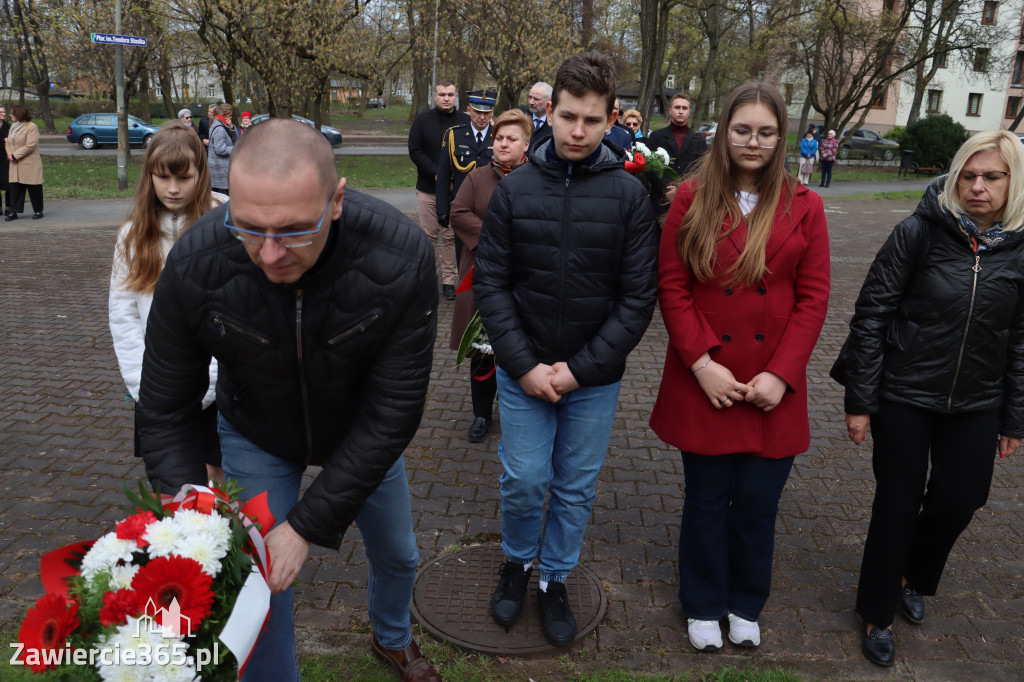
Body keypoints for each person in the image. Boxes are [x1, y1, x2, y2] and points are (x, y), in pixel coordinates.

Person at [136, 118, 441, 682]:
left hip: (360, 431)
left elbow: (394, 412)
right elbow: (163, 406)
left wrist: (303, 526)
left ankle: (392, 636)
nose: (270, 255)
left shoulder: (401, 258)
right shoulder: (197, 263)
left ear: (339, 199)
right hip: (257, 429)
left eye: (296, 231)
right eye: (249, 228)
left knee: (399, 553)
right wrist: (189, 505)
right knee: (260, 578)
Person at [475, 51, 658, 647]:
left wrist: (579, 370)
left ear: (611, 123)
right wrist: (524, 365)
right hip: (522, 370)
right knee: (525, 479)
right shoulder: (515, 189)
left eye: (592, 120)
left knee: (575, 486)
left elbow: (636, 300)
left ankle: (554, 578)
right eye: (569, 116)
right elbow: (493, 283)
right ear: (548, 113)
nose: (578, 131)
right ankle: (517, 562)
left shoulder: (629, 199)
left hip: (593, 379)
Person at [649, 82, 830, 652]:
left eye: (767, 132)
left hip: (772, 382)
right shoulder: (690, 197)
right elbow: (673, 287)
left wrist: (781, 373)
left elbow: (814, 297)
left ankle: (746, 601)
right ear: (723, 132)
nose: (754, 142)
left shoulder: (806, 204)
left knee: (757, 503)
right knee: (705, 501)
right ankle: (702, 602)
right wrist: (701, 363)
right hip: (707, 377)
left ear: (782, 138)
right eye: (743, 130)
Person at [839, 130, 1024, 668]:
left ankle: (910, 573)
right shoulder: (917, 232)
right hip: (905, 393)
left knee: (961, 499)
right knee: (896, 502)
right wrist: (861, 400)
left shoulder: (1019, 247)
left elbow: (1019, 339)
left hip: (978, 399)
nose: (978, 187)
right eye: (969, 175)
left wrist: (1015, 416)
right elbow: (871, 317)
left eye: (992, 177)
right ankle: (876, 611)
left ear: (1013, 182)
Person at [109, 123, 226, 482]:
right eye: (162, 177)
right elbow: (123, 309)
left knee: (216, 477)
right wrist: (140, 381)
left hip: (221, 384)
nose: (173, 189)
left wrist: (210, 382)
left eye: (184, 177)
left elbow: (238, 310)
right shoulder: (133, 233)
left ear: (201, 173)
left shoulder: (226, 222)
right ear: (149, 177)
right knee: (169, 482)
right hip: (156, 384)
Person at [450, 109, 531, 443]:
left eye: (511, 139)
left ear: (526, 144)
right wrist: (496, 237)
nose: (503, 144)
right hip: (481, 274)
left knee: (519, 347)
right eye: (499, 138)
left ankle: (518, 413)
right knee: (482, 349)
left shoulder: (537, 178)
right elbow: (458, 212)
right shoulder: (477, 177)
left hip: (524, 278)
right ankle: (482, 414)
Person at [408, 79, 471, 301]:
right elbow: (415, 151)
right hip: (428, 189)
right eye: (442, 94)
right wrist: (437, 173)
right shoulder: (422, 120)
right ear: (435, 96)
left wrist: (454, 178)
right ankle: (427, 280)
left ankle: (449, 281)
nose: (446, 98)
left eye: (451, 94)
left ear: (456, 97)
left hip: (456, 191)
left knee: (452, 236)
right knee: (429, 236)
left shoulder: (465, 120)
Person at [435, 88, 496, 272]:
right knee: (464, 260)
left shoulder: (499, 136)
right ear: (469, 110)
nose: (482, 117)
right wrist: (443, 209)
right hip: (464, 210)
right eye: (478, 112)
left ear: (493, 112)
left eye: (487, 113)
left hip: (492, 210)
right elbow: (444, 176)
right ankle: (465, 297)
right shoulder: (454, 135)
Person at [647, 93, 708, 215]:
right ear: (670, 110)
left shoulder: (699, 139)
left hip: (689, 200)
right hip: (660, 200)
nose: (681, 111)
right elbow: (650, 167)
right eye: (677, 107)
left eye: (684, 108)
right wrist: (667, 188)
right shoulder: (656, 136)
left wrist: (681, 190)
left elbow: (702, 169)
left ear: (689, 111)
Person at [5, 105, 43, 221]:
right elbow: (8, 142)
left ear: (19, 114)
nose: (10, 115)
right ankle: (14, 211)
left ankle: (38, 210)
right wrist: (10, 155)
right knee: (15, 188)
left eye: (12, 113)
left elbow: (30, 145)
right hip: (15, 164)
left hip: (29, 163)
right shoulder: (13, 127)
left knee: (33, 188)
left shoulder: (32, 127)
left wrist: (15, 155)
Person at [208, 102, 238, 194]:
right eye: (230, 115)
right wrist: (235, 149)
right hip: (220, 169)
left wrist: (231, 127)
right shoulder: (219, 129)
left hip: (220, 169)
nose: (231, 118)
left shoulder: (221, 125)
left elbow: (234, 139)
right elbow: (220, 149)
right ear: (223, 115)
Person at [523, 81, 553, 153]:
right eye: (530, 97)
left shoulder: (555, 125)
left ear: (548, 101)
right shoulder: (521, 117)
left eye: (536, 99)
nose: (531, 102)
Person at [0, 105, 10, 216]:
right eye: (1, 112)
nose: (3, 113)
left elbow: (10, 142)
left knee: (8, 183)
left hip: (6, 158)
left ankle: (8, 206)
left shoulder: (9, 127)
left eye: (4, 111)